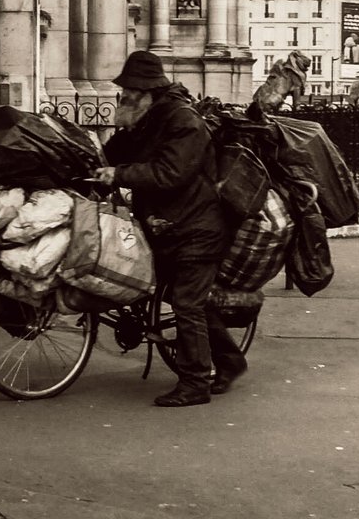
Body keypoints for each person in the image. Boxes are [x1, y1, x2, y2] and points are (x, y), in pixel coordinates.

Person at [94, 50, 247, 407]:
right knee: (187, 301)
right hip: (167, 227)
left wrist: (120, 174)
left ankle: (195, 383)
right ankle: (230, 360)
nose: (124, 98)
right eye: (123, 93)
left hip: (198, 227)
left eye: (131, 93)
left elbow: (170, 174)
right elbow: (113, 155)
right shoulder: (145, 120)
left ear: (150, 92)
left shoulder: (183, 122)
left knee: (186, 304)